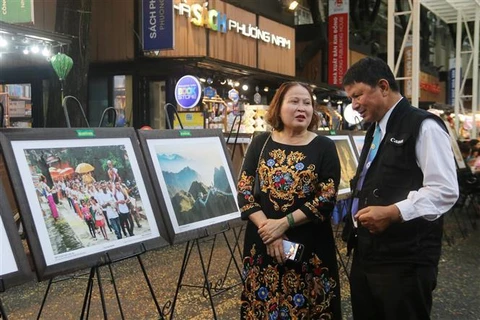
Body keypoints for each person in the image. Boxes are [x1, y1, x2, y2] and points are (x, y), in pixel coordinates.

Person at [343, 57, 459, 319]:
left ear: (383, 87)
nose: (354, 105)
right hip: (368, 253)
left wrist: (394, 212)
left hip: (405, 260)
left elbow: (444, 190)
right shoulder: (375, 130)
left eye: (358, 95)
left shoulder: (423, 125)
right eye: (351, 98)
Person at [237, 81, 342, 319]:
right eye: (294, 101)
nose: (301, 108)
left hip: (309, 244)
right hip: (262, 243)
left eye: (307, 103)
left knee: (309, 308)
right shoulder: (260, 142)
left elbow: (326, 197)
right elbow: (244, 191)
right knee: (262, 306)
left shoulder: (324, 146)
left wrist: (283, 224)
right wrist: (269, 230)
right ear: (278, 107)